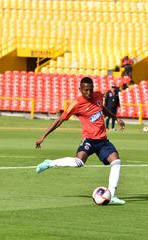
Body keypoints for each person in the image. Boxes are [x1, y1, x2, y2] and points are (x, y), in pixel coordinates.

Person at [35, 76, 126, 205]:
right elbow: (60, 120)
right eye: (86, 90)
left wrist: (116, 118)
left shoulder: (99, 95)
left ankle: (111, 195)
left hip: (103, 141)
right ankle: (50, 163)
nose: (89, 93)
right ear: (80, 89)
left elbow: (102, 108)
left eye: (91, 89)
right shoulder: (76, 104)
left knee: (116, 161)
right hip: (89, 139)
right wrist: (43, 136)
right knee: (79, 162)